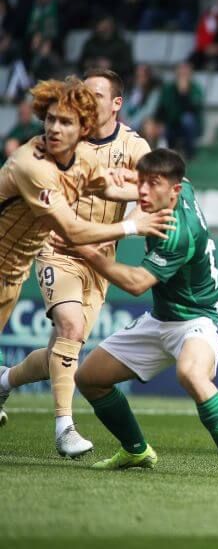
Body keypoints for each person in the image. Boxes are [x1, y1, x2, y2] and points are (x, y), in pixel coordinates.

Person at [59, 148, 218, 479]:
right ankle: (136, 451)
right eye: (142, 183)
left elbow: (136, 283)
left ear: (173, 190)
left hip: (202, 321)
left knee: (191, 373)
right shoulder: (182, 188)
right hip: (162, 318)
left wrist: (87, 250)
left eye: (153, 185)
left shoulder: (179, 232)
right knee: (89, 378)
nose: (143, 193)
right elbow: (158, 182)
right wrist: (123, 181)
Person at [0, 78, 173, 429]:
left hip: (35, 270)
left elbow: (117, 185)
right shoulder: (38, 162)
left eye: (65, 121)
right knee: (71, 325)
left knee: (61, 350)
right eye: (51, 119)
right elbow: (72, 229)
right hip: (56, 249)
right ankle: (65, 428)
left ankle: (4, 381)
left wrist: (147, 194)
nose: (56, 127)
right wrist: (132, 227)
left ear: (115, 104)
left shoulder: (109, 150)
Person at [156, 62, 204, 159]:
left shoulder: (195, 88)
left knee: (187, 119)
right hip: (171, 123)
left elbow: (194, 109)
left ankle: (190, 153)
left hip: (191, 126)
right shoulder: (168, 89)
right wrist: (159, 122)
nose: (183, 75)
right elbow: (163, 108)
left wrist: (183, 94)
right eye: (181, 73)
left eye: (185, 73)